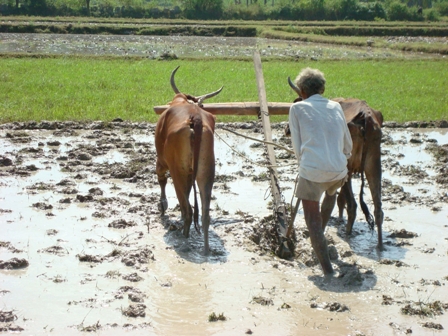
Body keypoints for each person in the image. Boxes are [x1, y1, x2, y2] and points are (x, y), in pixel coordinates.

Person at [288, 67, 353, 276]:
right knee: (331, 191)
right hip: (338, 172)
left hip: (313, 172)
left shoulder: (297, 109)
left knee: (311, 221)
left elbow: (298, 150)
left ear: (301, 91)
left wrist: (308, 165)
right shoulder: (336, 107)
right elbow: (348, 147)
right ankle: (323, 232)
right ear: (322, 89)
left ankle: (327, 271)